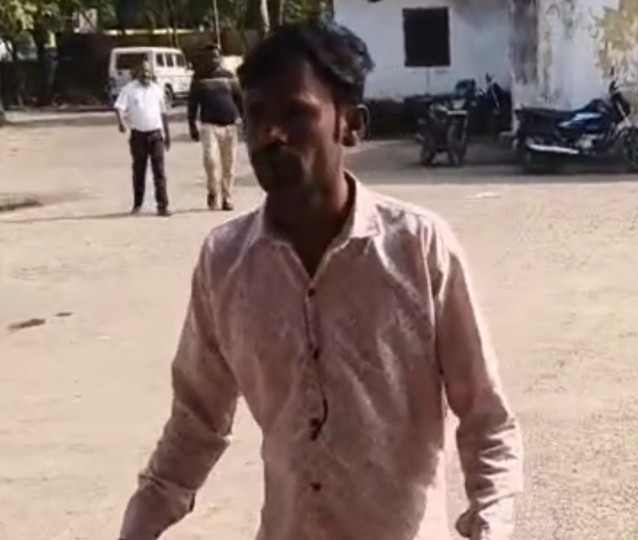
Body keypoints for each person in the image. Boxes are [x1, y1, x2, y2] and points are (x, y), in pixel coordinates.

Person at [118, 21, 522, 540]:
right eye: (257, 115)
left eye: (295, 114)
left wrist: (491, 519)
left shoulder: (419, 249)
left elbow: (487, 418)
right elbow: (195, 423)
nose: (270, 135)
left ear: (351, 124)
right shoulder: (226, 261)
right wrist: (140, 523)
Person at [187, 43, 243, 212]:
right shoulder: (198, 78)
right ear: (205, 59)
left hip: (230, 126)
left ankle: (227, 198)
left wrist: (246, 121)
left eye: (216, 56)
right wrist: (192, 126)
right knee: (210, 161)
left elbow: (239, 100)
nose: (213, 59)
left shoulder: (229, 76)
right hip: (209, 126)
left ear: (220, 58)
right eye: (210, 56)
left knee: (229, 165)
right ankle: (213, 191)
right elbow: (192, 104)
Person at [114, 60, 171, 217]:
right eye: (143, 71)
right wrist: (121, 122)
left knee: (159, 171)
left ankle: (162, 206)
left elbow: (163, 114)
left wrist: (167, 135)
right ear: (137, 73)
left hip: (156, 135)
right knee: (139, 170)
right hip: (138, 136)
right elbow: (119, 107)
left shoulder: (157, 89)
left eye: (148, 72)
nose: (146, 75)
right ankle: (138, 204)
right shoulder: (129, 89)